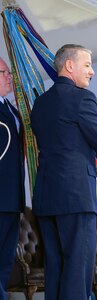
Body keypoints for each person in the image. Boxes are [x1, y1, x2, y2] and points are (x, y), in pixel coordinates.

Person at [30, 44, 97, 300]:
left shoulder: (40, 104)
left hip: (46, 197)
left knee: (55, 269)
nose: (92, 71)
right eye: (87, 65)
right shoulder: (81, 98)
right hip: (75, 197)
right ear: (69, 66)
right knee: (78, 269)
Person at [0, 57, 25, 300]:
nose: (10, 76)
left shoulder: (11, 108)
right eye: (4, 72)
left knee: (5, 261)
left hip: (12, 198)